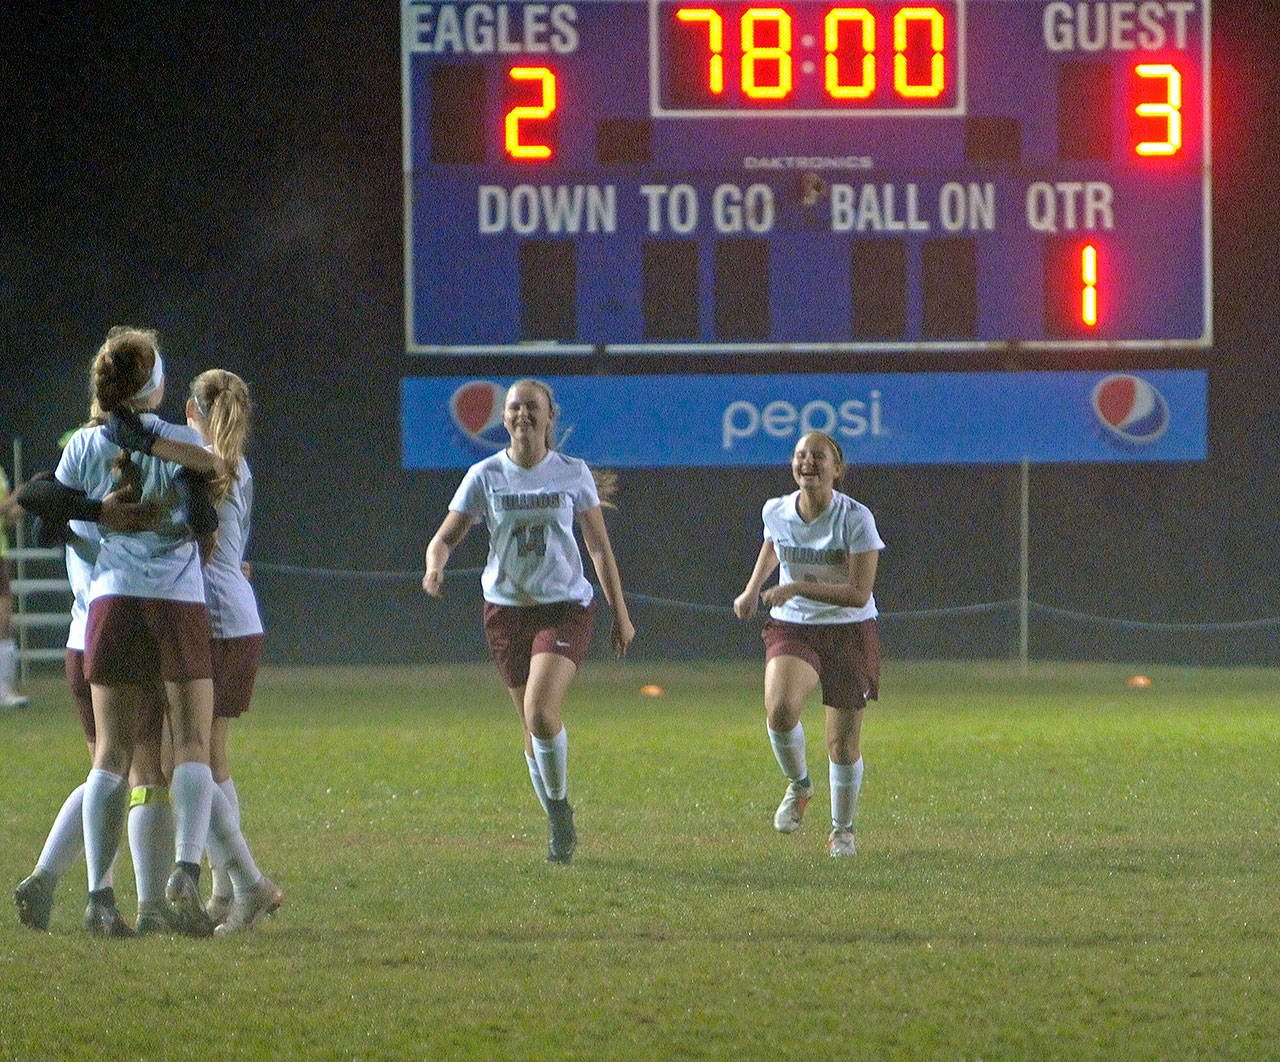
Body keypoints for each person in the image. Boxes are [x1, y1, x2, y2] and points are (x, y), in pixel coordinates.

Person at [55, 325, 227, 936]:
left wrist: (97, 517)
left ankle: (100, 898)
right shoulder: (179, 438)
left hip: (110, 600)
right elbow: (212, 474)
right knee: (192, 742)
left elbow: (50, 503)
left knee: (111, 754)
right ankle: (185, 867)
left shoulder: (82, 444)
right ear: (149, 383)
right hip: (174, 600)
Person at [423, 378, 635, 864]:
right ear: (504, 418)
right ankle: (558, 823)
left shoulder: (571, 473)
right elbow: (444, 538)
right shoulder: (485, 474)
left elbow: (599, 547)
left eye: (532, 408)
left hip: (564, 608)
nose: (522, 415)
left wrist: (621, 615)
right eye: (515, 408)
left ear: (549, 417)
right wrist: (435, 567)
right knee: (529, 726)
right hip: (505, 611)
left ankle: (560, 815)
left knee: (541, 712)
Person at [733, 430, 884, 857]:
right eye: (801, 456)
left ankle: (843, 830)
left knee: (842, 745)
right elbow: (773, 545)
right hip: (794, 625)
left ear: (838, 469)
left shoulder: (856, 519)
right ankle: (799, 785)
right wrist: (751, 590)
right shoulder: (776, 510)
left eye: (819, 457)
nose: (808, 463)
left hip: (850, 628)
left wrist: (796, 586)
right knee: (780, 710)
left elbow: (858, 593)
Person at [184, 368, 283, 934]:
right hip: (238, 614)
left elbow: (203, 548)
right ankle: (226, 890)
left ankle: (242, 888)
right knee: (206, 754)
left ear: (194, 412)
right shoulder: (236, 463)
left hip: (217, 619)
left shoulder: (203, 465)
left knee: (201, 757)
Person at [0, 468, 30, 708]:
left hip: (1, 554)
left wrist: (24, 504)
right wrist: (16, 496)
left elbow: (7, 516)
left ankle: (4, 690)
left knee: (4, 622)